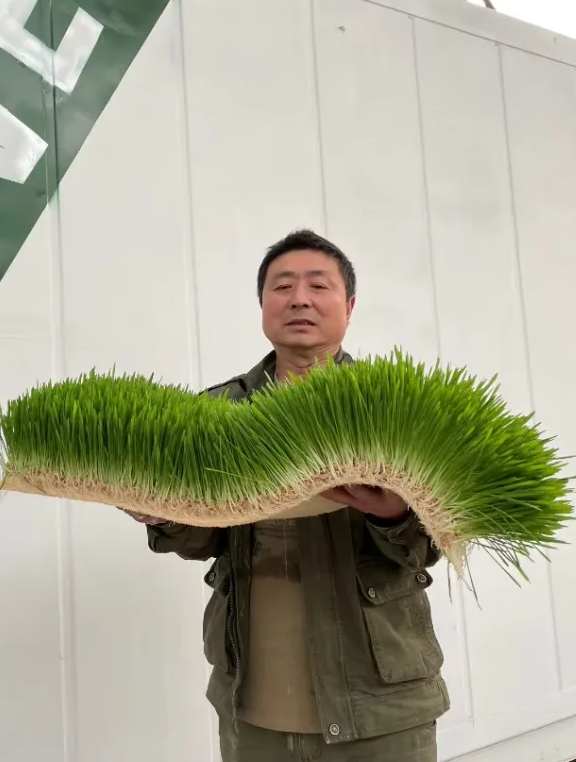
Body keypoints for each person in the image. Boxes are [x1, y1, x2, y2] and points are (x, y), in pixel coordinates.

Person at [125, 229, 448, 761]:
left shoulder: (398, 410)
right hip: (253, 704)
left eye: (318, 285)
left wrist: (395, 515)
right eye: (282, 286)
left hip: (381, 708)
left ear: (348, 306)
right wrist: (163, 516)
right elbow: (202, 540)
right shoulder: (216, 414)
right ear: (262, 307)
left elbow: (431, 546)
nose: (299, 298)